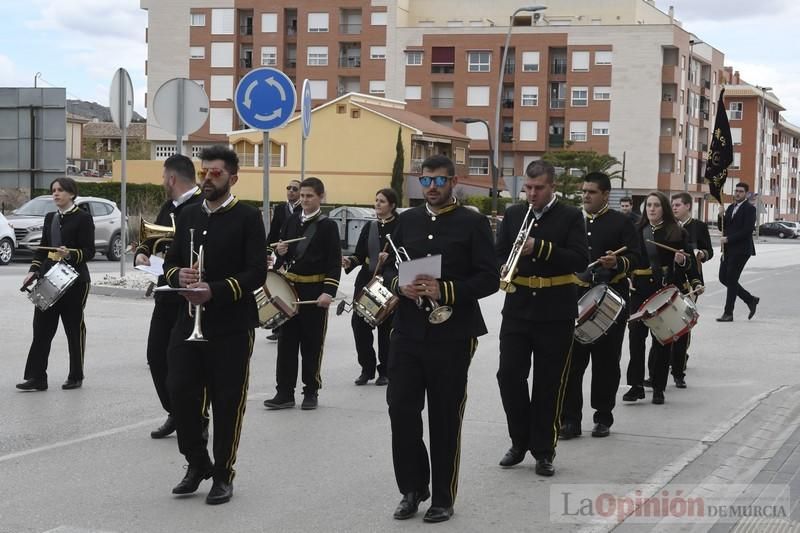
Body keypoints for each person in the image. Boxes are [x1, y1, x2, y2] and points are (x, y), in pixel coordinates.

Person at [386, 155, 497, 523]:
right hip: (407, 329)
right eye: (426, 180)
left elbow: (489, 278)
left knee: (444, 417)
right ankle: (412, 488)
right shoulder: (407, 221)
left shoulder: (474, 222)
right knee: (401, 411)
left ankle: (443, 496)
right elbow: (387, 269)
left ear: (453, 182)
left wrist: (445, 289)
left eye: (439, 180)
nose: (431, 187)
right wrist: (397, 285)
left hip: (452, 332)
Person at [163, 146, 267, 504]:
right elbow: (171, 263)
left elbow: (257, 272)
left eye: (216, 173)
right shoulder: (189, 214)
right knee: (179, 394)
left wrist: (216, 290)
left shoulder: (248, 217)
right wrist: (181, 275)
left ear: (233, 178)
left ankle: (223, 474)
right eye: (204, 172)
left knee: (227, 402)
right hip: (187, 322)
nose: (207, 178)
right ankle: (197, 462)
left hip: (230, 326)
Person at [495, 160, 588, 477]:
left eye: (538, 188)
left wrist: (541, 248)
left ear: (552, 187)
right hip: (518, 309)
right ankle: (518, 441)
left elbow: (579, 259)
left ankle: (544, 450)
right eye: (528, 188)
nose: (532, 194)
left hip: (555, 311)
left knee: (549, 383)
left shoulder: (571, 216)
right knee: (508, 376)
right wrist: (505, 266)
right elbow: (498, 253)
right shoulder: (512, 215)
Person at [560, 172, 640, 440]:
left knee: (606, 363)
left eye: (591, 192)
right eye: (583, 191)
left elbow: (636, 256)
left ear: (605, 195)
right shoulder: (573, 222)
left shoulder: (621, 223)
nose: (585, 196)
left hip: (611, 298)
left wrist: (617, 263)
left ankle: (603, 417)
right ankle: (570, 420)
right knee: (572, 364)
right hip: (575, 298)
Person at [134, 154, 204, 439]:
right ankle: (176, 411)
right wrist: (143, 250)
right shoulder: (169, 206)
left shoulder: (201, 206)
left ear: (172, 178)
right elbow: (153, 239)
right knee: (156, 355)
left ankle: (197, 415)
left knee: (186, 364)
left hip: (190, 297)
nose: (163, 181)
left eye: (164, 176)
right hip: (166, 291)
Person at [263, 177, 341, 411]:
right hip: (290, 290)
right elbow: (285, 258)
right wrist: (281, 252)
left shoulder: (328, 226)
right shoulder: (291, 221)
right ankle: (284, 393)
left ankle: (311, 391)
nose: (305, 200)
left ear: (321, 197)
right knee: (286, 344)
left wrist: (328, 292)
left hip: (314, 292)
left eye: (310, 196)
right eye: (303, 195)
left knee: (311, 344)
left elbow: (334, 262)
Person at [623, 192, 702, 405]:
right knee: (636, 340)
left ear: (663, 208)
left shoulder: (677, 233)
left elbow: (689, 263)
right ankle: (636, 386)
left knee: (661, 340)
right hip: (638, 291)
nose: (651, 209)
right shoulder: (636, 231)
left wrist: (684, 265)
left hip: (662, 290)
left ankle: (658, 387)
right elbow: (629, 260)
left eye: (656, 205)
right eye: (648, 205)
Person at [17, 177, 95, 391]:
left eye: (60, 190)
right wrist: (33, 271)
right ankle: (37, 377)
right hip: (50, 279)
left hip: (75, 280)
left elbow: (89, 251)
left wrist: (70, 253)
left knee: (73, 329)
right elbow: (43, 248)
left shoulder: (83, 218)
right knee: (41, 329)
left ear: (71, 193)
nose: (56, 194)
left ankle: (75, 375)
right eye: (53, 190)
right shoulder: (50, 217)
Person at [342, 188, 398, 386]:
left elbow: (406, 255)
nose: (377, 204)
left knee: (385, 326)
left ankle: (385, 370)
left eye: (382, 201)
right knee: (359, 324)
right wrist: (350, 261)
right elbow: (359, 254)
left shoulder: (400, 226)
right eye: (376, 200)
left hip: (388, 281)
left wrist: (389, 258)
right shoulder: (370, 227)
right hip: (367, 279)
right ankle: (367, 368)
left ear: (392, 205)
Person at [264, 179, 302, 341]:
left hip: (297, 256)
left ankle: (293, 327)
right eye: (289, 188)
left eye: (295, 188)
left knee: (293, 294)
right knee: (278, 291)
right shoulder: (280, 209)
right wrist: (267, 252)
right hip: (281, 255)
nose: (291, 191)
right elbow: (273, 233)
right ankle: (278, 327)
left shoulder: (303, 208)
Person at [717, 182, 758, 322]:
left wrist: (729, 238)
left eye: (740, 191)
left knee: (732, 279)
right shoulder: (730, 208)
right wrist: (720, 215)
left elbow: (747, 231)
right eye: (736, 191)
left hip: (741, 250)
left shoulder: (750, 209)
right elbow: (722, 227)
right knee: (723, 277)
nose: (737, 193)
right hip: (728, 250)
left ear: (746, 194)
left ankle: (728, 313)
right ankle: (750, 299)